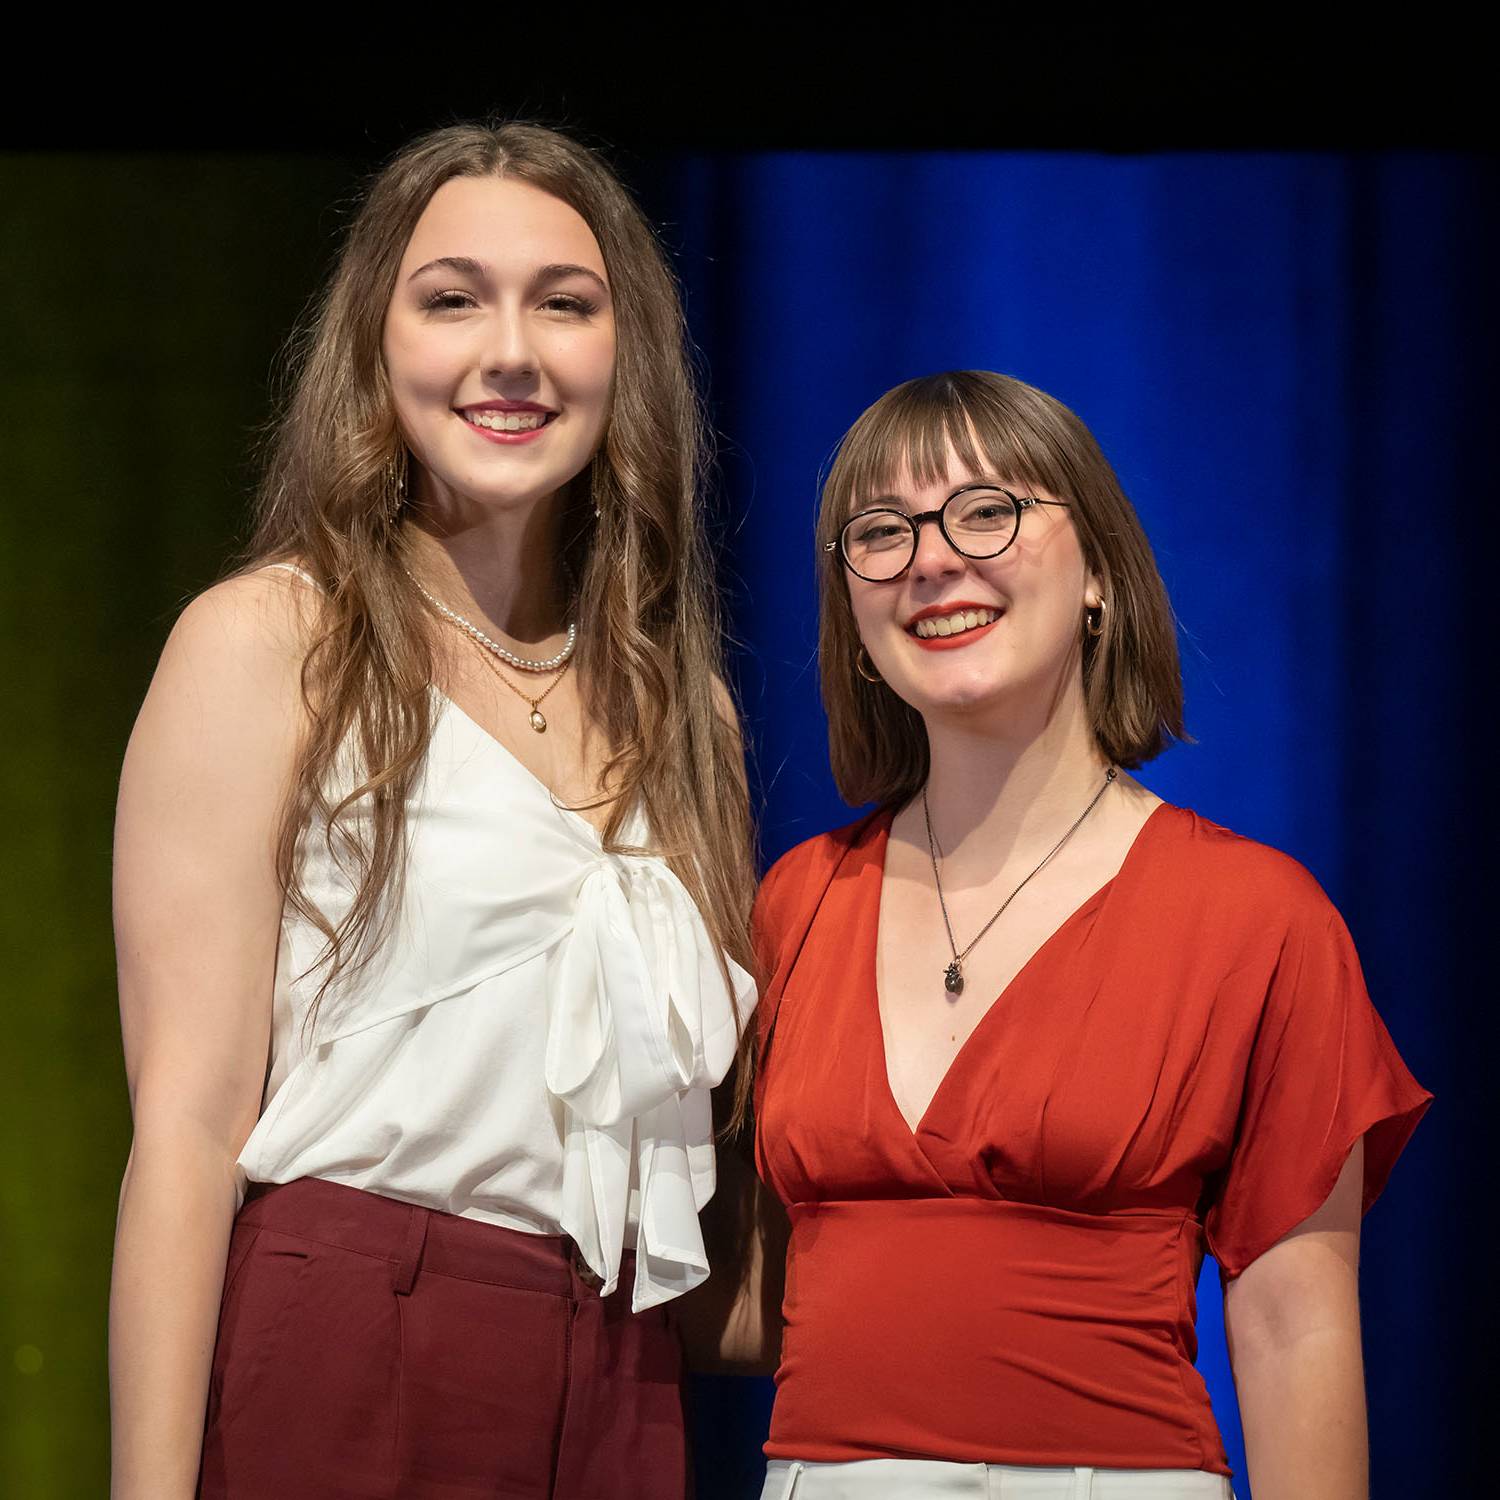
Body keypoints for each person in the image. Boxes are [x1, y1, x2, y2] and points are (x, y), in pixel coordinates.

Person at [108, 121, 757, 1500]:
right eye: (452, 297)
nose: (509, 351)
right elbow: (183, 1133)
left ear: (622, 355)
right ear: (375, 346)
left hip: (621, 1371)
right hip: (348, 1334)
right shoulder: (270, 640)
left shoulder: (685, 716)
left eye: (564, 303)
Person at [746, 371, 1432, 1499]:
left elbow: (1295, 1327)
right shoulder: (796, 901)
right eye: (882, 532)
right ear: (853, 617)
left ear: (1101, 572)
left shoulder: (1257, 917)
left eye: (987, 511)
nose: (931, 559)